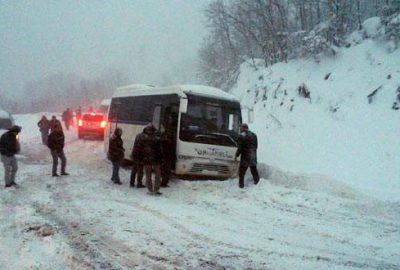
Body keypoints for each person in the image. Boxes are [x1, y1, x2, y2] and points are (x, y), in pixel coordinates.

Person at [133, 123, 163, 195]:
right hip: (155, 159)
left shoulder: (141, 137)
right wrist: (161, 159)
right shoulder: (156, 138)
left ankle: (150, 189)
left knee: (148, 175)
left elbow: (138, 149)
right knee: (157, 175)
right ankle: (155, 189)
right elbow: (160, 150)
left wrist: (138, 157)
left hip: (147, 159)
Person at [235, 123, 260, 188]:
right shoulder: (254, 135)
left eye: (241, 128)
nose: (240, 129)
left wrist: (237, 154)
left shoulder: (241, 136)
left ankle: (241, 186)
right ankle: (257, 183)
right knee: (254, 170)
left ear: (243, 128)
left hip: (245, 158)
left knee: (242, 173)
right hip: (253, 156)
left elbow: (240, 148)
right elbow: (256, 146)